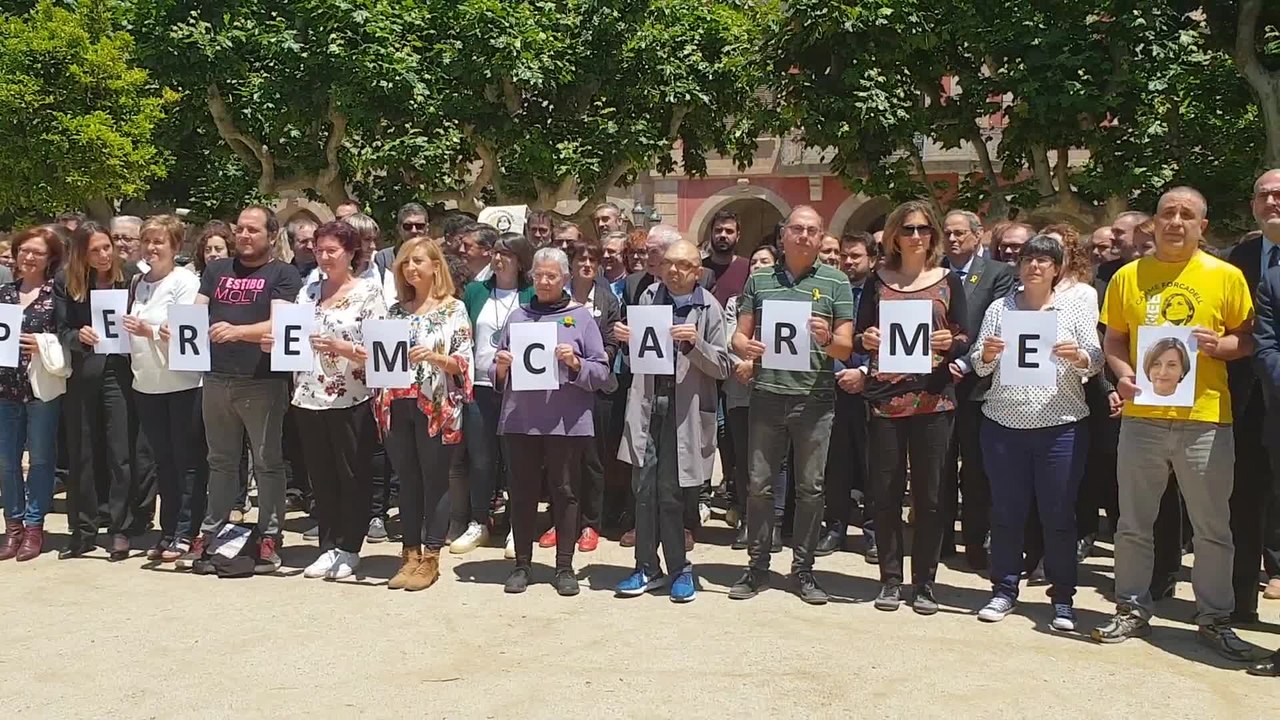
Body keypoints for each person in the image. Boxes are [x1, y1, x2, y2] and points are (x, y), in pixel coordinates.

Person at [1092, 187, 1258, 661]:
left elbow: (1247, 339)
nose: (1176, 222)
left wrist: (1222, 347)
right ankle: (1131, 608)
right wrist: (1123, 375)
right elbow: (1115, 341)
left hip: (1205, 420)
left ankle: (1214, 618)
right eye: (1168, 213)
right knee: (1133, 524)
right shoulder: (1129, 276)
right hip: (1142, 419)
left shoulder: (1225, 276)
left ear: (1202, 226)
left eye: (1187, 215)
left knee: (1212, 528)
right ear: (1155, 222)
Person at [969, 234, 1103, 630]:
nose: (1035, 266)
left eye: (1045, 260)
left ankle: (1062, 598)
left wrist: (1079, 356)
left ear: (1057, 269)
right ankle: (1003, 590)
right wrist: (987, 355)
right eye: (1029, 259)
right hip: (1003, 425)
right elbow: (979, 362)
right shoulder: (1000, 308)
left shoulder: (1073, 307)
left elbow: (1095, 359)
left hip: (1061, 427)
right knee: (1006, 513)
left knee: (1058, 515)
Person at [728, 205, 855, 605]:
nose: (804, 236)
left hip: (815, 400)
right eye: (797, 229)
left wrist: (826, 338)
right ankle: (757, 566)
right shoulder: (760, 279)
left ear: (821, 237)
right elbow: (738, 337)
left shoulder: (836, 282)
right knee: (759, 486)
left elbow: (845, 348)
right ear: (783, 235)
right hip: (767, 395)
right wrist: (745, 348)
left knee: (810, 489)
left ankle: (803, 570)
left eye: (812, 230)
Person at [854, 201, 970, 614]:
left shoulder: (948, 280)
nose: (916, 236)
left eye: (923, 228)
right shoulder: (876, 280)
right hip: (886, 401)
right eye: (908, 229)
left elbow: (965, 336)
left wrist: (951, 343)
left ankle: (924, 583)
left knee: (931, 496)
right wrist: (866, 340)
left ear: (932, 234)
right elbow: (859, 335)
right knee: (885, 493)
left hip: (934, 400)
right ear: (894, 236)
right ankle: (890, 579)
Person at [172, 205, 302, 573]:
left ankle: (269, 536)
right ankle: (211, 532)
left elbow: (279, 324)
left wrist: (238, 332)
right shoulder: (216, 270)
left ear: (271, 235)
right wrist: (178, 329)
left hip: (262, 380)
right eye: (241, 229)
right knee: (220, 461)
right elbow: (198, 313)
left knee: (267, 462)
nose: (244, 235)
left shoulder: (283, 273)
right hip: (216, 378)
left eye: (253, 230)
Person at [264, 222, 384, 580]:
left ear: (351, 252)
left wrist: (343, 347)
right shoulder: (308, 291)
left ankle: (350, 547)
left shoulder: (368, 293)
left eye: (332, 250)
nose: (324, 257)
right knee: (321, 476)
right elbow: (292, 336)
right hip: (308, 395)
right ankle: (328, 545)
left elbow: (380, 352)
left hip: (352, 397)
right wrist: (275, 344)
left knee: (352, 475)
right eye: (319, 250)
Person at [614, 240, 731, 602]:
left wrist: (696, 345)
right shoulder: (648, 297)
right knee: (643, 488)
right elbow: (641, 351)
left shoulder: (709, 307)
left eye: (683, 265)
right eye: (668, 263)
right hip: (649, 404)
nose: (674, 271)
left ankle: (680, 568)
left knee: (672, 492)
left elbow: (724, 365)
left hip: (686, 410)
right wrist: (625, 339)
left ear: (698, 272)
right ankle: (646, 567)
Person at [492, 247, 610, 596]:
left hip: (566, 422)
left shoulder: (581, 318)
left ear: (565, 279)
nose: (543, 282)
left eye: (551, 276)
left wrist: (576, 364)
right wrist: (500, 366)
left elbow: (601, 371)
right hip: (521, 420)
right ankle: (522, 564)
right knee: (522, 493)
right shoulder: (518, 317)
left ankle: (564, 566)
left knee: (566, 491)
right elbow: (496, 369)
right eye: (538, 275)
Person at [374, 237, 473, 591]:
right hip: (397, 402)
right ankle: (409, 554)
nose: (411, 267)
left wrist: (434, 357)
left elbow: (463, 362)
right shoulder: (395, 312)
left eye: (418, 261)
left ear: (435, 266)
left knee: (435, 480)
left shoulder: (453, 309)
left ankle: (431, 555)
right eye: (405, 262)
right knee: (407, 480)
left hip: (436, 405)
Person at [55, 222, 139, 561]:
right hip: (83, 374)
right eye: (95, 250)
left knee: (120, 452)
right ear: (81, 253)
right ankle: (83, 530)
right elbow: (61, 329)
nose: (104, 255)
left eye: (107, 247)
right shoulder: (67, 281)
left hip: (120, 372)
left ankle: (120, 528)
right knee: (82, 452)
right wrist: (78, 336)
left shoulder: (130, 277)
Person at [124, 215, 205, 562]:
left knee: (186, 460)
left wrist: (151, 331)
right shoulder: (137, 282)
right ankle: (168, 528)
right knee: (163, 462)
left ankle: (187, 530)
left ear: (175, 246)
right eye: (147, 241)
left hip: (182, 383)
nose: (151, 247)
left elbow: (185, 332)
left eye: (159, 241)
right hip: (146, 383)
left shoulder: (185, 281)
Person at [940, 209, 1018, 569]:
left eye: (959, 233)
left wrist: (965, 362)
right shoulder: (935, 271)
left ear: (977, 235)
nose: (953, 239)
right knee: (938, 468)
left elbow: (997, 326)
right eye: (947, 233)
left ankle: (975, 541)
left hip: (979, 387)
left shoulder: (998, 274)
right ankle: (940, 539)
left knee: (975, 470)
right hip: (937, 383)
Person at [457, 233, 535, 558]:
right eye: (496, 253)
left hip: (520, 389)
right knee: (481, 457)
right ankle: (479, 521)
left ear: (520, 260)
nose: (499, 259)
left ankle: (519, 525)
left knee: (517, 459)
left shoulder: (531, 294)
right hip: (481, 385)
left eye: (507, 254)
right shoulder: (476, 292)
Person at [1226, 169, 1280, 623]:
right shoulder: (1239, 257)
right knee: (1244, 498)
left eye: (1279, 194)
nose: (1271, 202)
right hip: (1246, 400)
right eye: (1264, 195)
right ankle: (1241, 601)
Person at [0, 226, 65, 561]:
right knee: (7, 461)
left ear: (50, 258)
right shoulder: (3, 293)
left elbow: (67, 337)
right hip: (5, 388)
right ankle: (12, 526)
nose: (28, 257)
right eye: (23, 250)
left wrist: (44, 344)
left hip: (41, 388)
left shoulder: (57, 295)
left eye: (37, 252)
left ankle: (34, 526)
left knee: (40, 459)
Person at [557, 237, 621, 553]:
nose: (586, 265)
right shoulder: (558, 298)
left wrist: (591, 362)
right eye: (581, 259)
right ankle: (561, 522)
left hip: (597, 389)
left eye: (592, 261)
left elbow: (612, 343)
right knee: (562, 459)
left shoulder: (608, 300)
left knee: (593, 459)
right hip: (561, 388)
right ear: (570, 264)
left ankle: (590, 524)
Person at [818, 232, 878, 558]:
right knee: (836, 464)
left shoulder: (882, 293)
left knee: (873, 465)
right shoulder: (831, 289)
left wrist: (865, 372)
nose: (848, 262)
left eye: (856, 256)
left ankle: (874, 532)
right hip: (835, 385)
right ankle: (835, 528)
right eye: (845, 256)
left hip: (874, 388)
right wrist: (840, 370)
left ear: (873, 259)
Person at [724, 246, 788, 549]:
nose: (758, 266)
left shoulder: (786, 300)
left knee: (778, 460)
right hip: (740, 391)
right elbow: (728, 339)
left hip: (776, 389)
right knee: (744, 458)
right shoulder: (735, 302)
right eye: (754, 262)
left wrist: (757, 365)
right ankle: (749, 521)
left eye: (765, 261)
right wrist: (744, 364)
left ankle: (774, 523)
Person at [702, 210, 750, 309]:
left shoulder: (748, 268)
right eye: (718, 230)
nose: (723, 235)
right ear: (711, 234)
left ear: (738, 236)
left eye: (729, 231)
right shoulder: (699, 268)